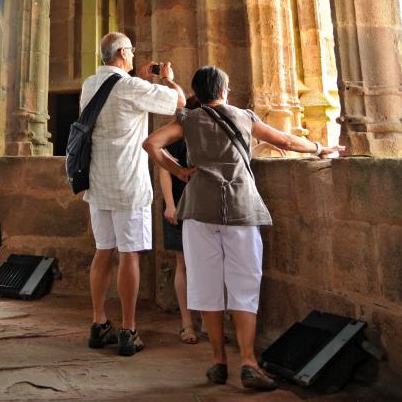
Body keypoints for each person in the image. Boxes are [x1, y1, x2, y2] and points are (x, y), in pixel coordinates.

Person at [143, 65, 344, 392]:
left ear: (198, 92)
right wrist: (322, 149)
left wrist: (178, 171)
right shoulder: (243, 116)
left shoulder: (188, 119)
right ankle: (248, 361)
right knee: (244, 284)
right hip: (239, 208)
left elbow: (151, 143)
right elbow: (285, 139)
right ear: (224, 90)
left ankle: (218, 361)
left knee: (206, 285)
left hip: (198, 210)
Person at [82, 31, 186, 357]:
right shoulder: (130, 87)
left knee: (103, 251)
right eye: (131, 51)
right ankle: (128, 329)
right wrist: (167, 79)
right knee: (129, 255)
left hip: (97, 182)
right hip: (128, 184)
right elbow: (180, 103)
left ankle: (99, 324)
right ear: (124, 53)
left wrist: (137, 77)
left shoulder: (90, 85)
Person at [158, 96, 200, 344]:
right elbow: (164, 169)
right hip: (180, 204)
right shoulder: (176, 134)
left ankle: (207, 320)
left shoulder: (209, 133)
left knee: (205, 266)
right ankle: (187, 324)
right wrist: (171, 205)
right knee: (183, 265)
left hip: (204, 206)